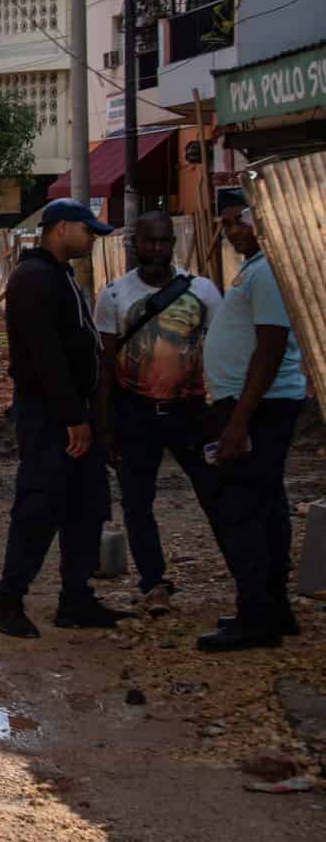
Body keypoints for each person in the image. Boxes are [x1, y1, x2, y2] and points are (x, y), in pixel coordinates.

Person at [0, 198, 132, 639]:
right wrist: (73, 418)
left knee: (85, 506)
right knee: (39, 505)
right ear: (62, 227)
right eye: (87, 230)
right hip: (49, 415)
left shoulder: (58, 275)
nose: (92, 238)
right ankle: (7, 601)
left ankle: (76, 598)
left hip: (72, 410)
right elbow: (45, 357)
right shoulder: (33, 279)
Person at [93, 211, 223, 617]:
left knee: (218, 494)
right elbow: (106, 365)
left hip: (191, 412)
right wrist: (105, 426)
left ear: (173, 244)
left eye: (164, 241)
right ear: (135, 245)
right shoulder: (114, 295)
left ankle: (250, 579)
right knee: (136, 503)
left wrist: (224, 416)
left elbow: (221, 353)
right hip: (135, 413)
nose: (157, 250)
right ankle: (153, 584)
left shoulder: (202, 291)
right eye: (150, 242)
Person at [193, 191, 308, 652]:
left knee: (242, 509)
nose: (234, 230)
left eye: (241, 220)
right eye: (227, 223)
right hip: (254, 404)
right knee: (266, 506)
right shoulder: (257, 268)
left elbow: (271, 346)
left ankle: (255, 617)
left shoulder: (268, 272)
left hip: (258, 408)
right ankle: (271, 609)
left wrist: (238, 422)